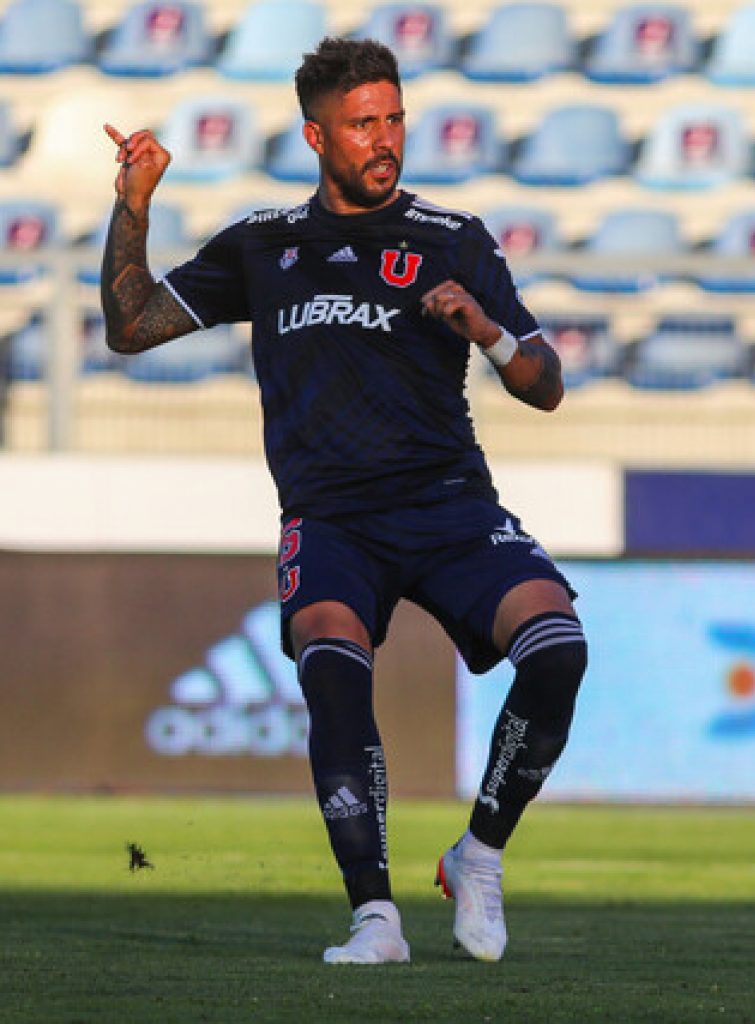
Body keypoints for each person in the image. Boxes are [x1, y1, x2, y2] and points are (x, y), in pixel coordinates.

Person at [101, 37, 587, 965]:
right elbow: (131, 326)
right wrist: (133, 207)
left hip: (448, 505)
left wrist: (484, 330)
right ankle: (376, 917)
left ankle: (477, 856)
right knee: (331, 663)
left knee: (559, 647)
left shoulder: (453, 238)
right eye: (363, 124)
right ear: (317, 137)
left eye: (394, 118)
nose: (385, 139)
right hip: (329, 519)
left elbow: (546, 380)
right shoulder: (264, 243)